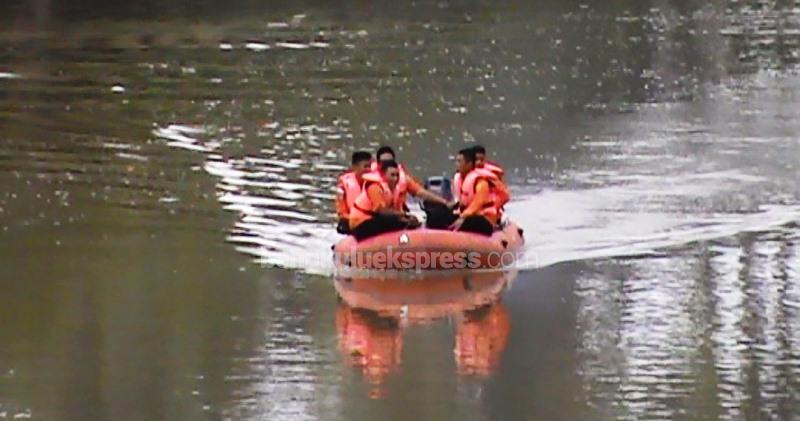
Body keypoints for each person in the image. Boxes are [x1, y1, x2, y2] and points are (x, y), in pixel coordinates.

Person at [349, 160, 421, 241]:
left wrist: (406, 217)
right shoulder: (374, 187)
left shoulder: (392, 190)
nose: (395, 179)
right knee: (397, 222)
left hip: (372, 220)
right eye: (392, 175)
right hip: (360, 224)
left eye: (397, 175)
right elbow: (381, 210)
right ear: (383, 175)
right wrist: (404, 216)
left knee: (407, 222)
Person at [370, 145, 450, 211]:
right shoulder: (372, 183)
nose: (388, 165)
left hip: (396, 213)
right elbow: (380, 210)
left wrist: (444, 202)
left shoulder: (402, 178)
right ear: (378, 163)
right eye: (384, 163)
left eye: (390, 161)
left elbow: (420, 192)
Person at [449, 147, 503, 236]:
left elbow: (478, 203)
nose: (457, 164)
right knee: (439, 215)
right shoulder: (459, 178)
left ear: (469, 164)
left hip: (485, 218)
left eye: (459, 162)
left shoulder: (481, 181)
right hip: (466, 215)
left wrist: (463, 216)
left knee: (469, 221)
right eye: (456, 161)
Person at [335, 151, 372, 234]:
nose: (368, 170)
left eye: (370, 166)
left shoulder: (375, 183)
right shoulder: (344, 183)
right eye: (365, 166)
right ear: (355, 167)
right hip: (351, 219)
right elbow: (341, 209)